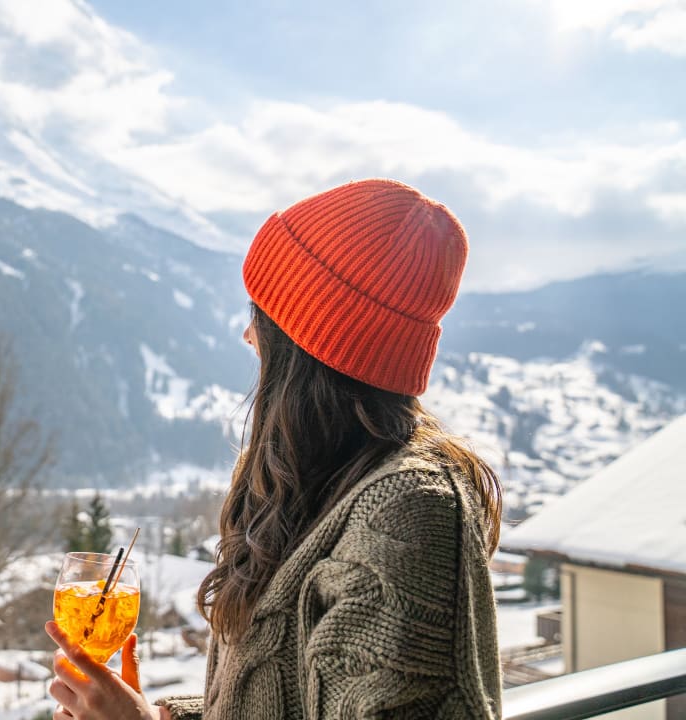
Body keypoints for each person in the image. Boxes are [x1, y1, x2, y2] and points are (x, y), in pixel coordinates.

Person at [44, 178, 504, 719]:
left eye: (261, 315)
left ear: (310, 342)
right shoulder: (323, 483)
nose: (248, 336)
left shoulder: (409, 512)